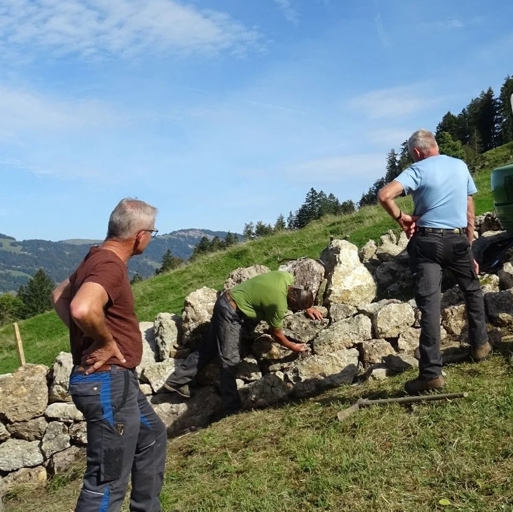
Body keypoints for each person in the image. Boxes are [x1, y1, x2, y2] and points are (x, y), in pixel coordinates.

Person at [51, 198, 167, 512]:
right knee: (109, 477)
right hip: (106, 385)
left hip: (117, 382)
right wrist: (102, 341)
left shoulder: (95, 257)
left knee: (153, 436)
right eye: (152, 233)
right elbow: (81, 307)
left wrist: (87, 333)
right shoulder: (110, 265)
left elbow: (59, 294)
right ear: (140, 236)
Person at [378, 129, 490, 395]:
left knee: (430, 305)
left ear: (417, 152)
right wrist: (468, 243)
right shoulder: (460, 166)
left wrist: (401, 217)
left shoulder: (418, 169)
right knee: (472, 290)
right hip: (457, 239)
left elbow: (384, 195)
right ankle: (481, 346)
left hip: (427, 241)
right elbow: (469, 204)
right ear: (435, 146)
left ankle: (431, 374)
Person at [162, 270, 322, 414]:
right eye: (295, 307)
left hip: (226, 300)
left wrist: (307, 306)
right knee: (229, 359)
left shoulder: (285, 278)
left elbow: (295, 295)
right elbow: (276, 334)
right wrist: (294, 346)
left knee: (209, 347)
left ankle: (175, 381)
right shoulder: (278, 305)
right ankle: (232, 407)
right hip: (231, 313)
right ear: (291, 301)